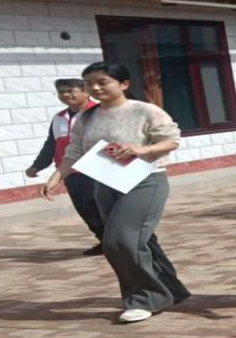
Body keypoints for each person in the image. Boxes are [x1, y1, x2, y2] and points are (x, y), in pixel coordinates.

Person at [41, 62, 189, 323]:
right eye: (89, 84)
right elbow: (74, 151)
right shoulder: (86, 117)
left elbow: (171, 140)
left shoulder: (144, 110)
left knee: (119, 241)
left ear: (124, 84)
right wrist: (56, 177)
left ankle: (145, 299)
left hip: (145, 181)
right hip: (105, 182)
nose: (95, 88)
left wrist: (140, 150)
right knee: (141, 241)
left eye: (103, 82)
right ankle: (171, 289)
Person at [24, 78, 104, 256]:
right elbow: (51, 144)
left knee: (104, 207)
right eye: (61, 92)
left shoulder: (100, 112)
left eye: (70, 91)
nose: (66, 95)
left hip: (98, 170)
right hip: (70, 172)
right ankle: (104, 241)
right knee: (86, 210)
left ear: (86, 92)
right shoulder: (59, 118)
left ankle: (120, 242)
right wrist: (37, 166)